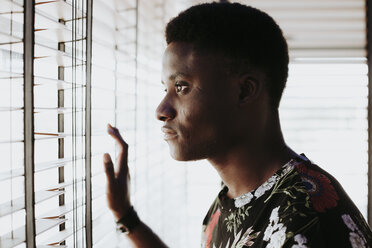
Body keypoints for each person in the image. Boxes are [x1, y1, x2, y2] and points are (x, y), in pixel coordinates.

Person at [103, 2, 372, 247]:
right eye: (166, 89)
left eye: (181, 87)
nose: (161, 110)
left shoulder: (303, 219)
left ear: (244, 91)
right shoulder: (233, 200)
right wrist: (126, 215)